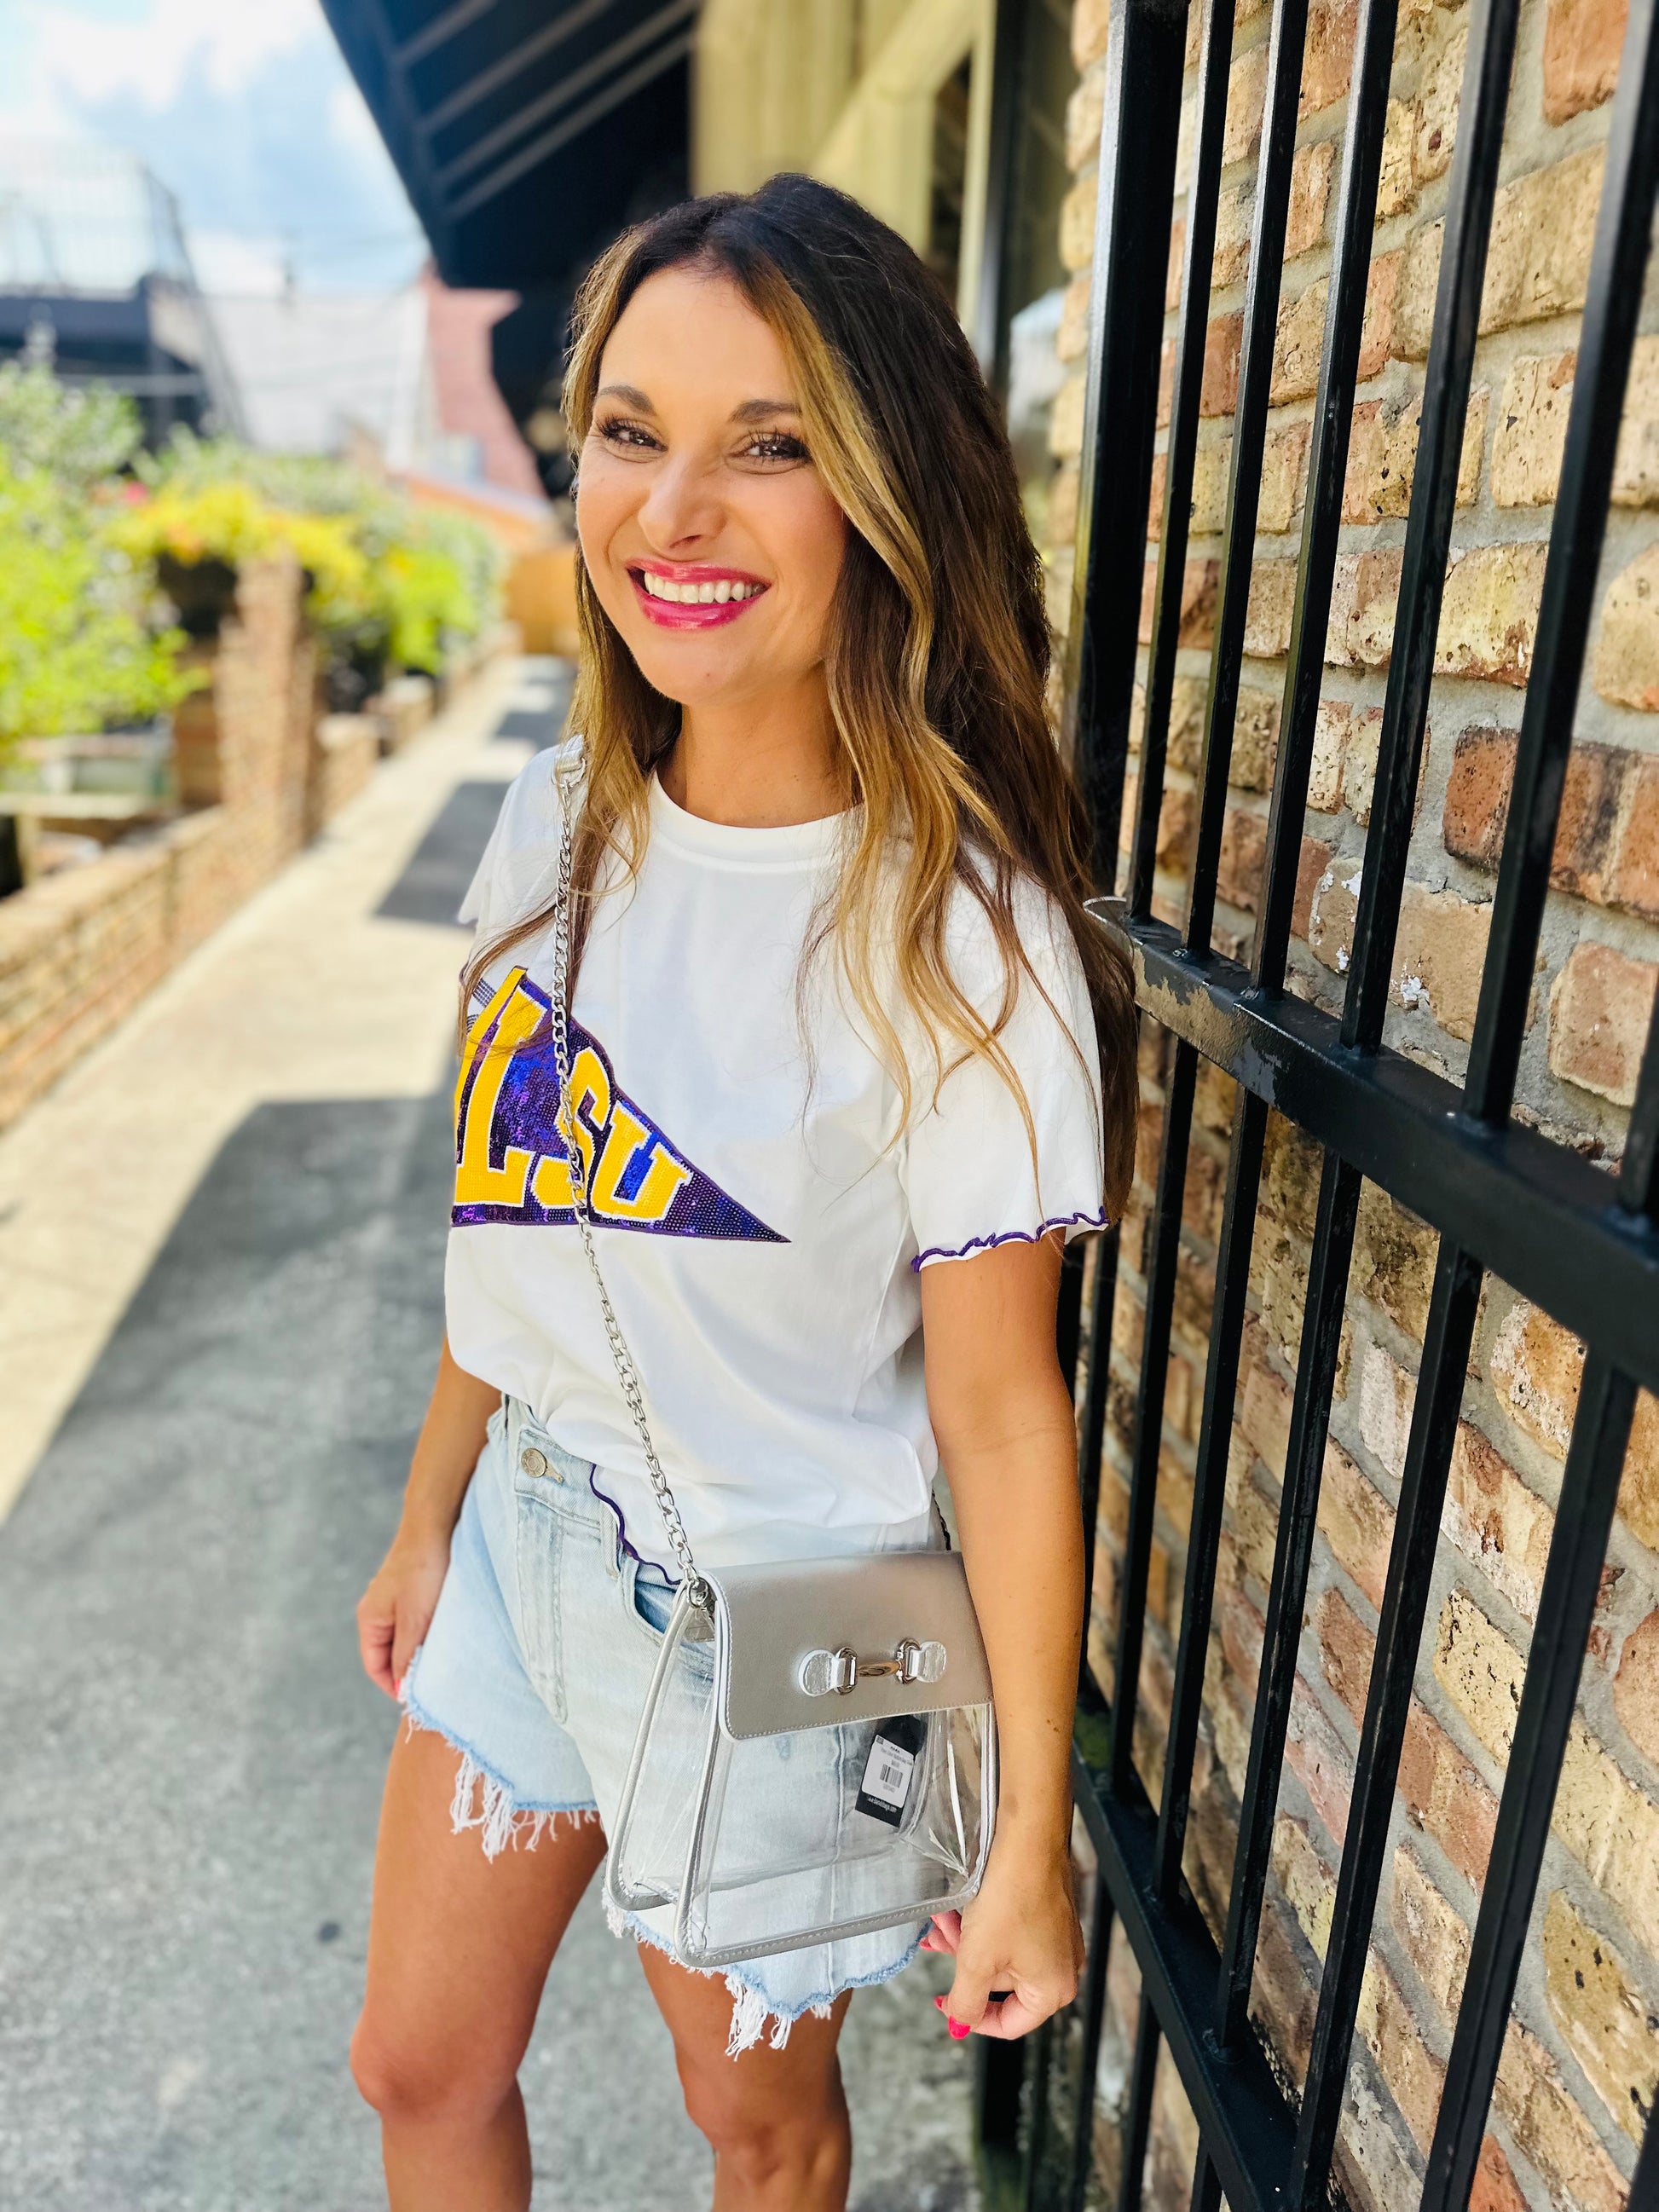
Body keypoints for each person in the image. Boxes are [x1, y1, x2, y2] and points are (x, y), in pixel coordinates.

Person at [349, 171, 1137, 2212]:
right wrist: (431, 1510)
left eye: (766, 446)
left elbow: (999, 1411)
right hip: (526, 1533)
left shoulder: (962, 939)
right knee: (416, 2059)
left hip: (771, 1632)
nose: (672, 512)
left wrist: (1026, 1835)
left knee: (757, 2130)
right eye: (632, 431)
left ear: (883, 494)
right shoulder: (552, 823)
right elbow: (516, 1213)